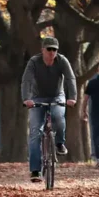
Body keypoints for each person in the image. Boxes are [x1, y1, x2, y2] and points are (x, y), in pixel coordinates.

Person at [21, 37, 77, 182]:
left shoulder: (62, 61)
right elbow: (26, 80)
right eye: (49, 49)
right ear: (42, 50)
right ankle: (35, 171)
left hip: (57, 96)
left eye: (54, 50)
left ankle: (59, 143)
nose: (52, 52)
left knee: (58, 117)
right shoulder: (34, 62)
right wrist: (27, 98)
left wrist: (73, 98)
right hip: (37, 97)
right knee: (35, 133)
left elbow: (70, 79)